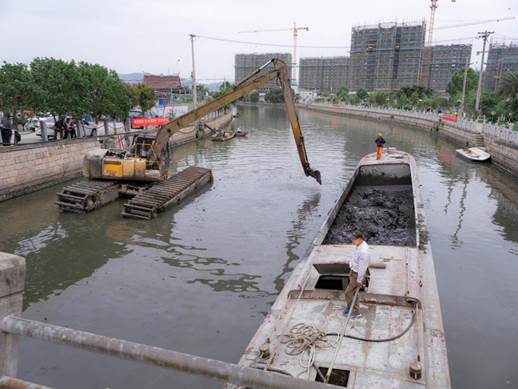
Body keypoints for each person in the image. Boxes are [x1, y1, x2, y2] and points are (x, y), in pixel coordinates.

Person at [344, 231, 370, 319]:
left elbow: (363, 267)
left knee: (348, 293)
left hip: (357, 274)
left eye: (354, 240)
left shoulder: (364, 252)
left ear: (359, 239)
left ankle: (355, 311)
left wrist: (359, 280)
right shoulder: (358, 246)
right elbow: (354, 257)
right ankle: (350, 305)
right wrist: (351, 264)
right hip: (353, 271)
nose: (352, 241)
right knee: (353, 292)